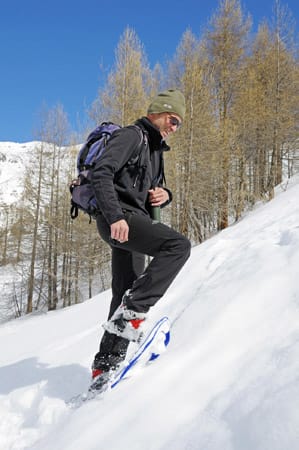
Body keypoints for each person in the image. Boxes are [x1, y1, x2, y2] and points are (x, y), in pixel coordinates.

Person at [90, 89, 191, 390]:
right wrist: (115, 216)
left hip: (134, 220)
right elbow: (101, 173)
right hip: (119, 219)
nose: (175, 128)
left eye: (179, 124)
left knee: (123, 291)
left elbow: (150, 192)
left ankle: (105, 367)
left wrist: (165, 195)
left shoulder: (156, 150)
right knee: (178, 246)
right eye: (173, 120)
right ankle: (134, 312)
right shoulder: (132, 135)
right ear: (158, 112)